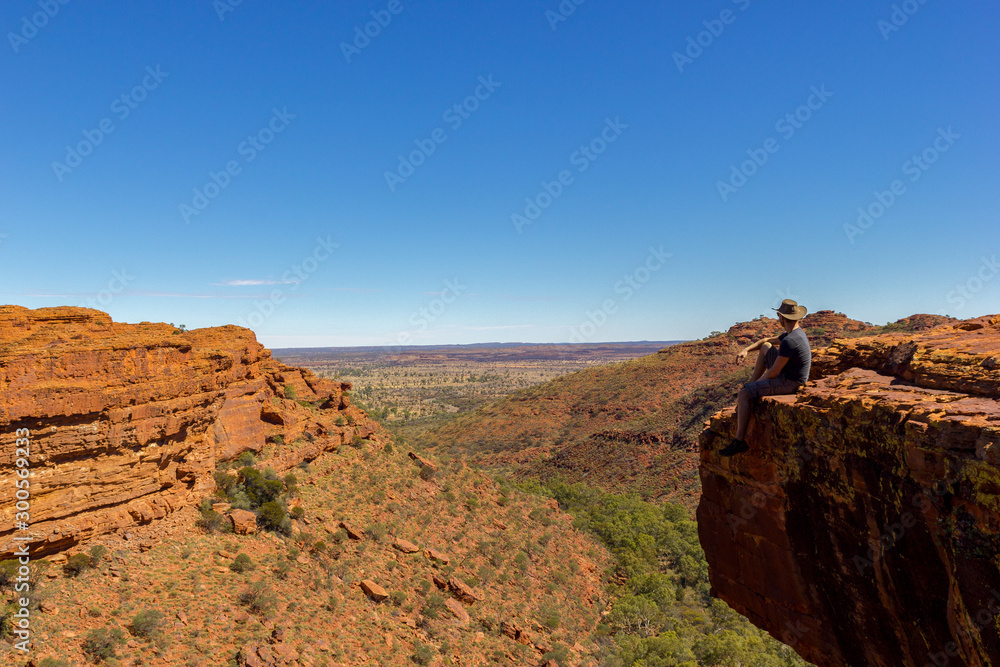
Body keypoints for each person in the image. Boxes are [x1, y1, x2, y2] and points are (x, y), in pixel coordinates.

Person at [719, 299, 812, 457]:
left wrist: (752, 387)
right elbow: (765, 341)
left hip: (789, 382)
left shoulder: (790, 341)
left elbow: (773, 372)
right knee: (765, 347)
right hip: (787, 374)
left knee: (744, 395)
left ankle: (739, 441)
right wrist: (746, 350)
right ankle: (749, 384)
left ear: (781, 317)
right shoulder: (794, 333)